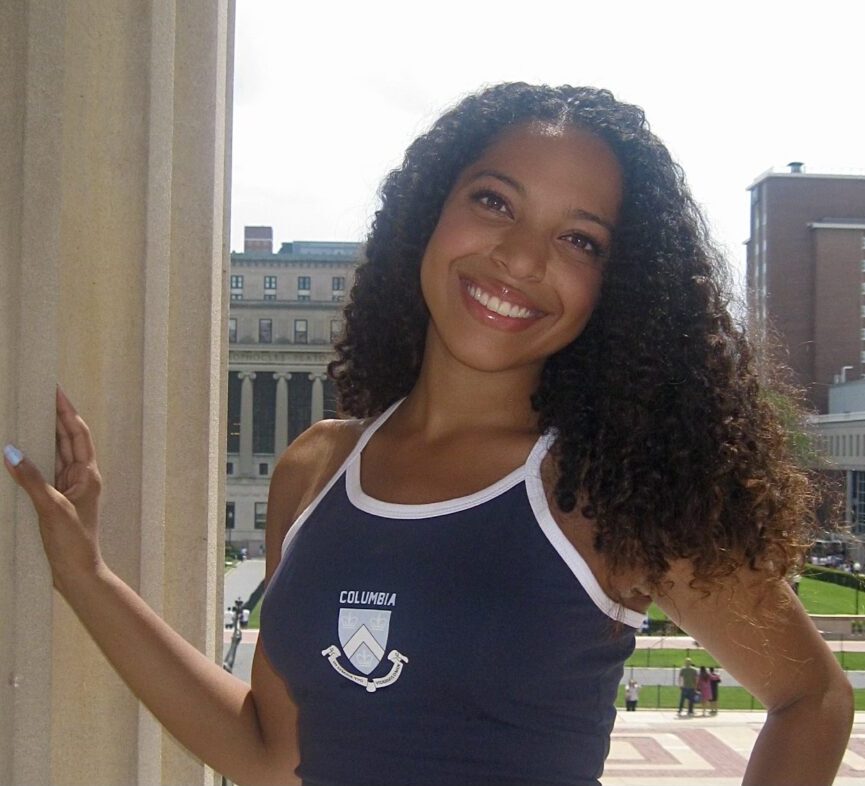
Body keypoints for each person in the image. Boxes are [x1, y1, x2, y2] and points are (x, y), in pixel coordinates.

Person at [2, 83, 854, 786]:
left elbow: (809, 699)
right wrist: (86, 575)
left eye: (577, 239)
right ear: (429, 213)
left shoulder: (608, 487)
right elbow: (266, 753)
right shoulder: (315, 470)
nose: (519, 258)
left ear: (616, 287)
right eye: (493, 201)